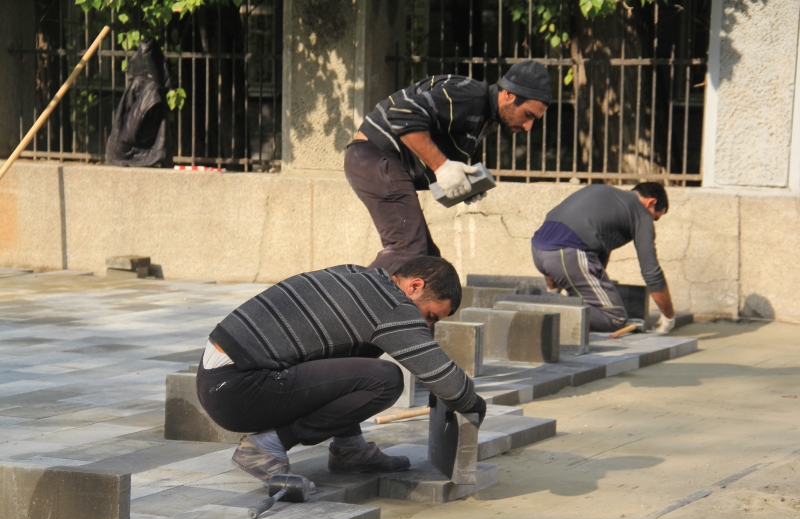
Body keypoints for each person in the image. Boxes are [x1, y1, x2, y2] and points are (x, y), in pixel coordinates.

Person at [195, 256, 486, 481]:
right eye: (431, 315)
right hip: (239, 389)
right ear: (415, 286)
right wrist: (473, 403)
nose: (427, 326)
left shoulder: (357, 274)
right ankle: (266, 446)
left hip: (219, 380)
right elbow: (452, 387)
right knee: (385, 379)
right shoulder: (394, 308)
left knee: (360, 354)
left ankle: (350, 449)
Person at [345, 60, 552, 273]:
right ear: (508, 94)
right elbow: (402, 116)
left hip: (381, 162)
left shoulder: (482, 116)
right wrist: (442, 167)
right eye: (528, 115)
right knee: (408, 250)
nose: (529, 127)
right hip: (373, 156)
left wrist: (460, 183)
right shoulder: (472, 96)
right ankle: (344, 301)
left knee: (429, 263)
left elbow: (425, 146)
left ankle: (398, 305)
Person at [530, 182, 676, 333]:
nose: (651, 221)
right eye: (655, 218)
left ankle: (543, 299)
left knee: (583, 302)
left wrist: (553, 291)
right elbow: (651, 271)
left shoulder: (601, 192)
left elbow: (555, 234)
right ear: (651, 202)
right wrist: (668, 318)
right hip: (567, 254)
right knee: (615, 318)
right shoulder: (641, 212)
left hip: (538, 249)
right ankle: (540, 303)